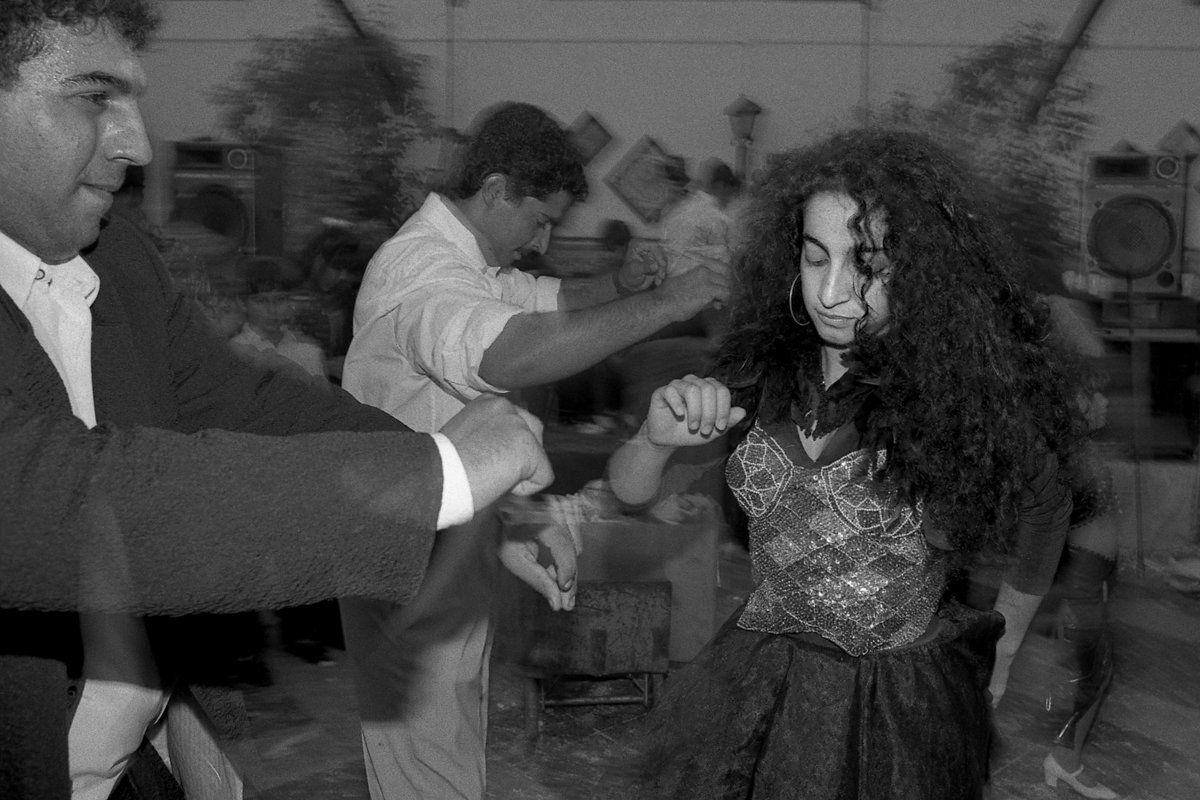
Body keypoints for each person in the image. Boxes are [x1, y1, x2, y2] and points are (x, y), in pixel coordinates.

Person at [0, 3, 554, 799]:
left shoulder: (115, 258)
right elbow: (56, 491)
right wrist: (437, 476)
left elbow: (244, 401)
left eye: (131, 99)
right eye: (94, 97)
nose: (138, 144)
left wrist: (473, 504)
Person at [606, 128, 1084, 798]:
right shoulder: (760, 373)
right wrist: (654, 439)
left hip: (896, 705)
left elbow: (1048, 501)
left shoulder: (956, 392)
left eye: (868, 266)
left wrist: (1005, 645)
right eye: (815, 258)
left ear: (920, 271)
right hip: (761, 683)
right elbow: (628, 492)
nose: (832, 292)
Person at [339, 100, 732, 800]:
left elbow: (545, 300)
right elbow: (507, 353)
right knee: (427, 760)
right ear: (496, 190)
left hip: (445, 540)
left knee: (450, 737)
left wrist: (621, 286)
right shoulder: (423, 271)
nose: (543, 238)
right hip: (404, 554)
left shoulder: (476, 262)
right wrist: (669, 305)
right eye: (540, 218)